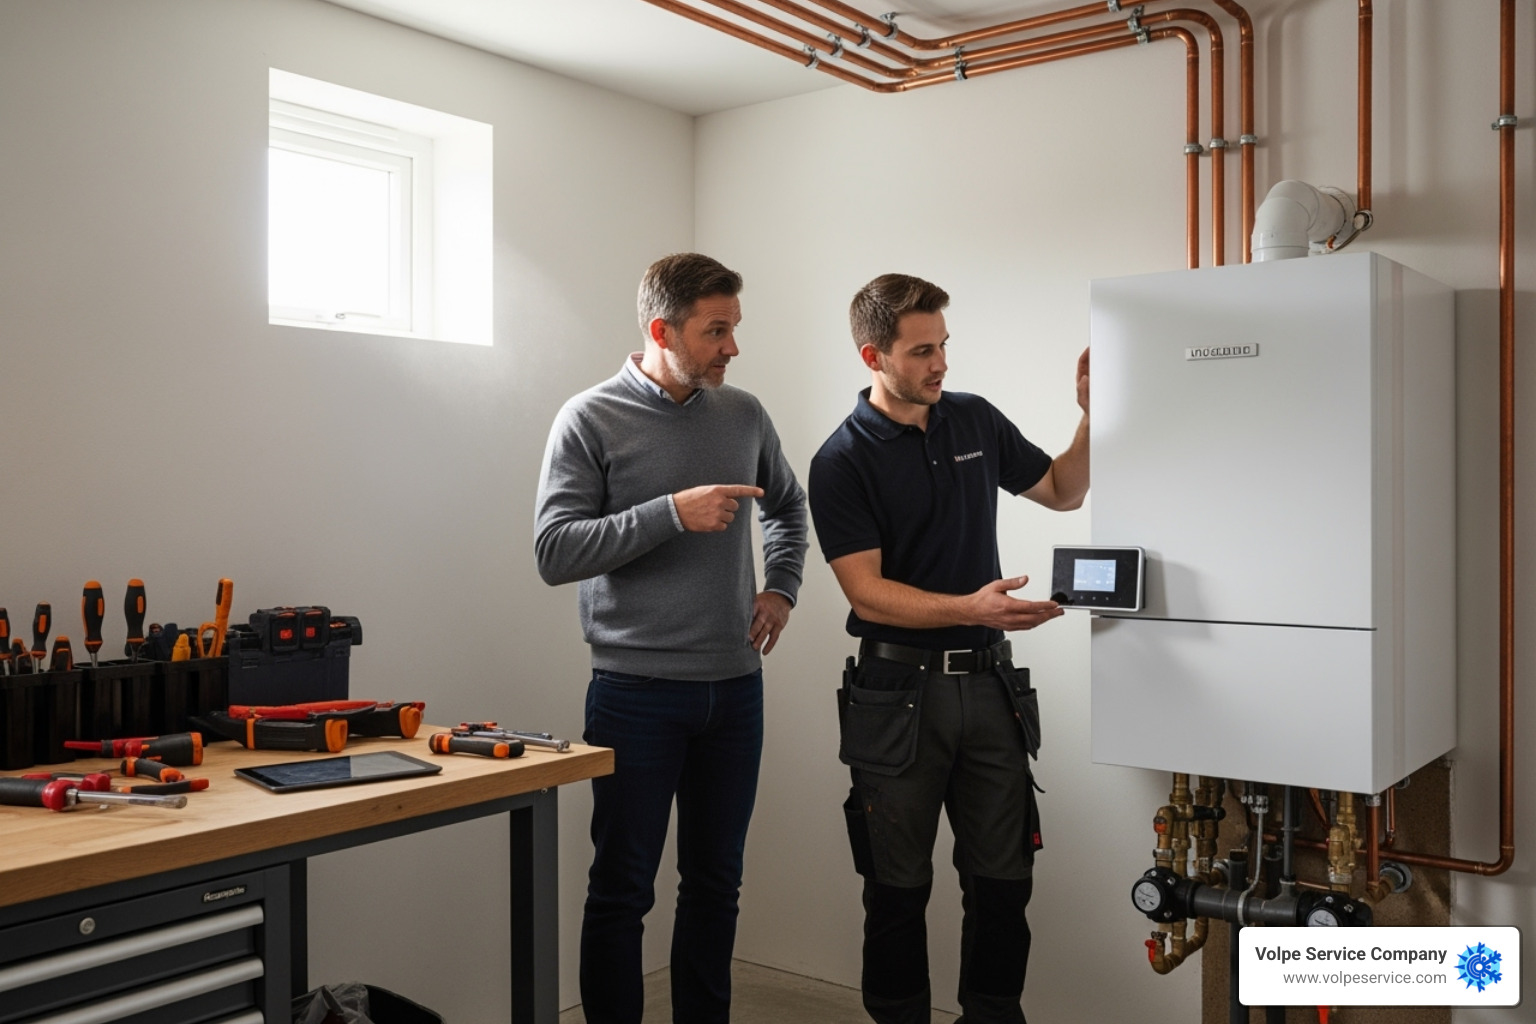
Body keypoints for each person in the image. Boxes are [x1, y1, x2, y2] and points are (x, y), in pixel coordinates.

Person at [534, 253, 808, 1024]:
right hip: (635, 694)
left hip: (734, 690)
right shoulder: (589, 419)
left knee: (716, 885)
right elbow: (555, 551)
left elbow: (789, 506)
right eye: (716, 331)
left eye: (733, 329)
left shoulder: (745, 414)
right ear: (663, 331)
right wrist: (669, 513)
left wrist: (780, 587)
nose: (732, 347)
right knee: (622, 889)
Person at [807, 273, 1088, 1024]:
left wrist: (1090, 417)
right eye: (922, 351)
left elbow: (1062, 490)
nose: (940, 365)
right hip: (896, 700)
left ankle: (992, 1016)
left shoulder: (973, 421)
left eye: (943, 347)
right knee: (896, 888)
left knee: (1004, 879)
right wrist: (972, 606)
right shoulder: (841, 461)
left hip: (990, 691)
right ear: (875, 355)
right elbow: (865, 592)